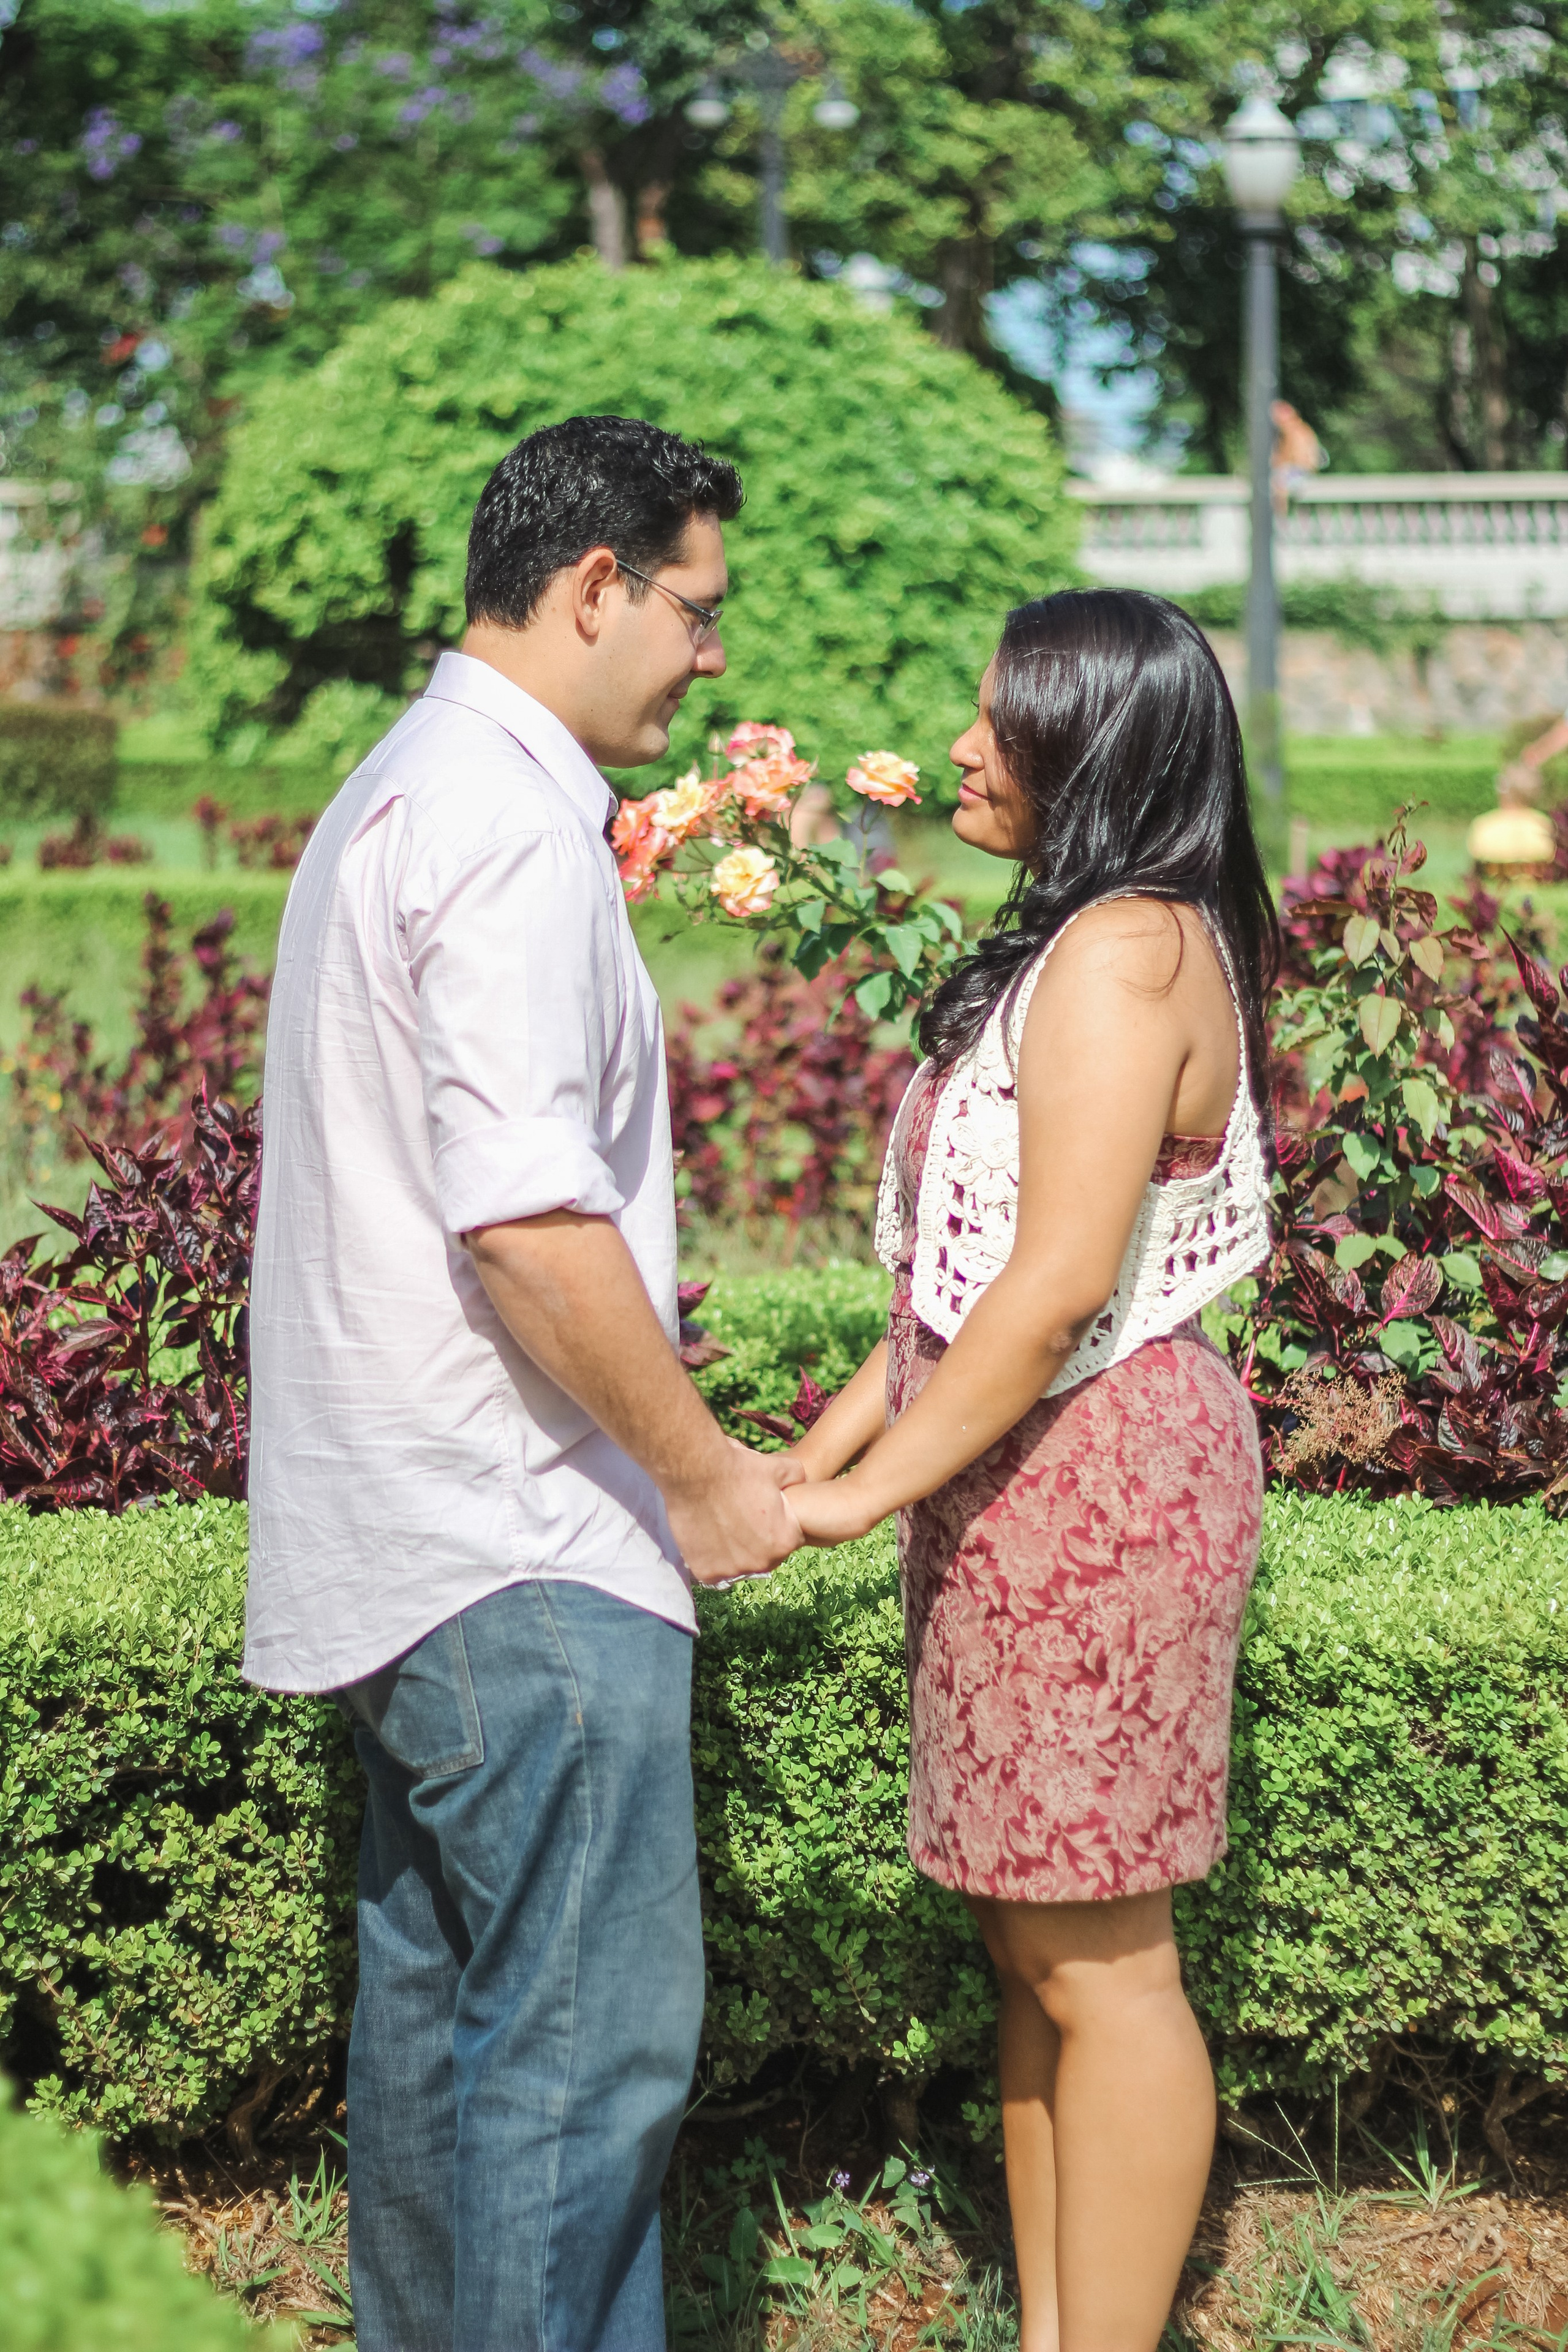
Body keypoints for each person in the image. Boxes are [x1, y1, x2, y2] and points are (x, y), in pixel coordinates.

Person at [243, 414, 801, 2352]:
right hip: (524, 1552)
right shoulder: (503, 822)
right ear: (593, 588)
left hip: (411, 1549)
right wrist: (706, 1471)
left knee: (447, 2060)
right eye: (694, 611)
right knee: (581, 2072)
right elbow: (526, 1221)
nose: (708, 657)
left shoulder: (402, 788)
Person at [786, 588, 1279, 2352]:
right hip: (1014, 1475)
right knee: (1028, 1945)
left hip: (1095, 1486)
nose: (964, 750)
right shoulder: (1081, 938)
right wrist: (825, 1460)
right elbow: (954, 1280)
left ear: (1099, 750)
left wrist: (860, 1493)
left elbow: (1063, 1279)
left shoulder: (1129, 951)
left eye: (1005, 724)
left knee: (1100, 1960)